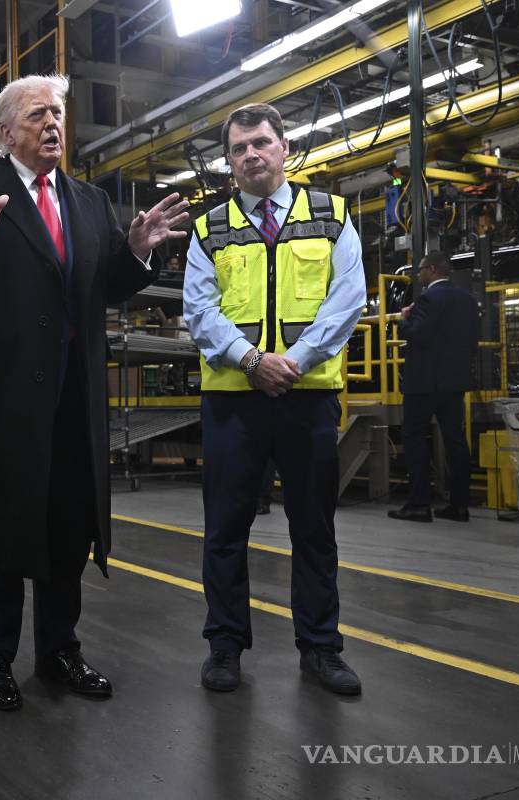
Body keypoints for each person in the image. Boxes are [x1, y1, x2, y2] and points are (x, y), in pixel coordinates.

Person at [0, 73, 189, 713]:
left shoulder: (90, 202)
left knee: (67, 526)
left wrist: (133, 251)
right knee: (2, 529)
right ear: (5, 131)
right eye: (39, 114)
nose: (53, 124)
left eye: (59, 114)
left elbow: (101, 288)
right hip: (2, 401)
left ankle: (59, 650)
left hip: (74, 397)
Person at [182, 102, 366, 696]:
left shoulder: (332, 216)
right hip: (234, 401)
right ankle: (225, 645)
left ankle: (321, 646)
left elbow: (347, 301)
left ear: (285, 147)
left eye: (261, 142)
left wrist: (296, 362)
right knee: (225, 530)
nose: (251, 155)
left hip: (306, 398)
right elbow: (200, 309)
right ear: (229, 162)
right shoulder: (210, 227)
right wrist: (252, 361)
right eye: (238, 149)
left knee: (313, 527)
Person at [388, 251, 480, 523]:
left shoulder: (428, 298)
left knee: (414, 437)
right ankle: (460, 506)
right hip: (455, 382)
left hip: (424, 383)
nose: (418, 275)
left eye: (420, 270)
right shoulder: (468, 300)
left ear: (433, 270)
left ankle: (419, 504)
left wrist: (404, 320)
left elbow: (418, 335)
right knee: (455, 440)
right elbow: (472, 339)